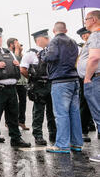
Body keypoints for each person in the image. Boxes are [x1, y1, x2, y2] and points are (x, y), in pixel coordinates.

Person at [42, 22, 83, 154]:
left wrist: (43, 56)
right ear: (66, 29)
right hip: (74, 79)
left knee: (61, 114)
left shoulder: (55, 41)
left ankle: (62, 145)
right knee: (74, 113)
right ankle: (76, 143)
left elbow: (51, 56)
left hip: (60, 81)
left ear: (54, 30)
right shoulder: (73, 41)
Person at [20, 29, 56, 146]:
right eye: (45, 38)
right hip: (39, 85)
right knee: (38, 112)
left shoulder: (51, 51)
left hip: (51, 83)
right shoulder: (31, 53)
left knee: (52, 111)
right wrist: (32, 79)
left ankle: (53, 133)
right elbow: (23, 69)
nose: (48, 39)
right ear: (38, 40)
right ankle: (38, 135)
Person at [76, 10, 100, 162]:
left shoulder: (96, 35)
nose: (85, 22)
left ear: (94, 20)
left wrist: (87, 77)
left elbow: (94, 58)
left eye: (86, 19)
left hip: (95, 79)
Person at [76, 26, 96, 141]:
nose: (85, 37)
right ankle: (84, 129)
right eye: (83, 36)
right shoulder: (82, 47)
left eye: (86, 34)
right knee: (84, 104)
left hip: (93, 76)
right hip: (84, 78)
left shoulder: (94, 43)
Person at [7, 38, 29, 131]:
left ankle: (21, 121)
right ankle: (9, 122)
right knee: (11, 103)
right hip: (13, 82)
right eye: (17, 43)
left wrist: (20, 52)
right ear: (11, 44)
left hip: (22, 82)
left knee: (23, 102)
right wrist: (16, 50)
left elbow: (23, 64)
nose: (19, 45)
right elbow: (14, 62)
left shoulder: (19, 54)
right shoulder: (7, 53)